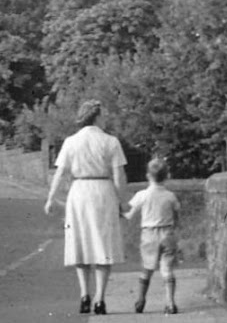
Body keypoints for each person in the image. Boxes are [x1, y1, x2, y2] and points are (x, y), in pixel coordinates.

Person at [44, 99, 127, 315]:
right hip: (102, 191)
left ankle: (84, 295)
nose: (106, 118)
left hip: (79, 192)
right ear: (97, 116)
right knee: (103, 244)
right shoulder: (111, 142)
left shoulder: (71, 142)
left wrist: (51, 198)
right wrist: (122, 202)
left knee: (79, 242)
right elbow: (119, 177)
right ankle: (100, 298)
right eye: (104, 114)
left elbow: (60, 172)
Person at [123, 157, 181, 314]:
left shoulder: (142, 195)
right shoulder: (170, 196)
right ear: (166, 176)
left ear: (148, 175)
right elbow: (176, 215)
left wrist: (120, 213)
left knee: (147, 269)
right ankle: (170, 302)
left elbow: (129, 215)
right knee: (167, 269)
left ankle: (141, 299)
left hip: (149, 234)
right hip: (167, 232)